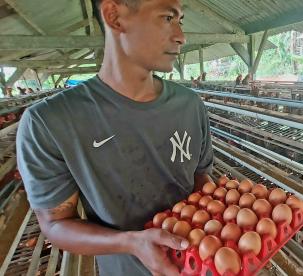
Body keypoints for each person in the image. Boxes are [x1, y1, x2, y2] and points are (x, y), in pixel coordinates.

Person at [16, 1, 214, 276]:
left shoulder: (191, 105)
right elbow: (55, 224)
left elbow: (201, 179)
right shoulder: (50, 122)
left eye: (181, 20)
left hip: (197, 265)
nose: (181, 36)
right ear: (114, 16)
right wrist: (130, 243)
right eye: (168, 17)